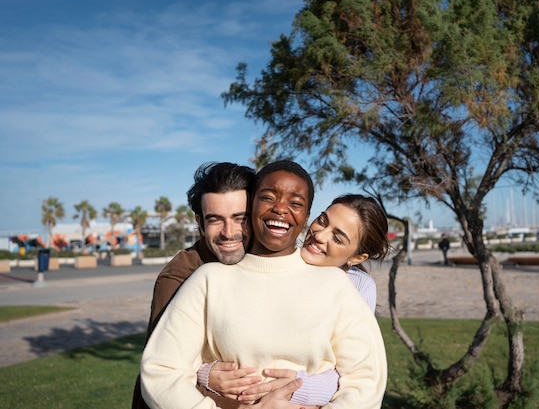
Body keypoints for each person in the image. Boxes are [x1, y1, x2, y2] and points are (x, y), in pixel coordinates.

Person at [140, 160, 387, 409]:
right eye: (268, 197)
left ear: (306, 216)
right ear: (252, 204)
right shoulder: (207, 280)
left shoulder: (338, 287)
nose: (280, 209)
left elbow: (366, 382)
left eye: (295, 203)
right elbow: (162, 371)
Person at [200, 194, 390, 403]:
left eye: (337, 237)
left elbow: (357, 373)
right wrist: (206, 374)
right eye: (322, 221)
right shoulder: (273, 262)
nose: (320, 235)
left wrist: (294, 388)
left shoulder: (358, 287)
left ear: (357, 257)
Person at [131, 162, 256, 409]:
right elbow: (159, 376)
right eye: (215, 220)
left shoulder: (264, 261)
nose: (229, 232)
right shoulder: (179, 278)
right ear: (200, 222)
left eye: (240, 218)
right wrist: (204, 376)